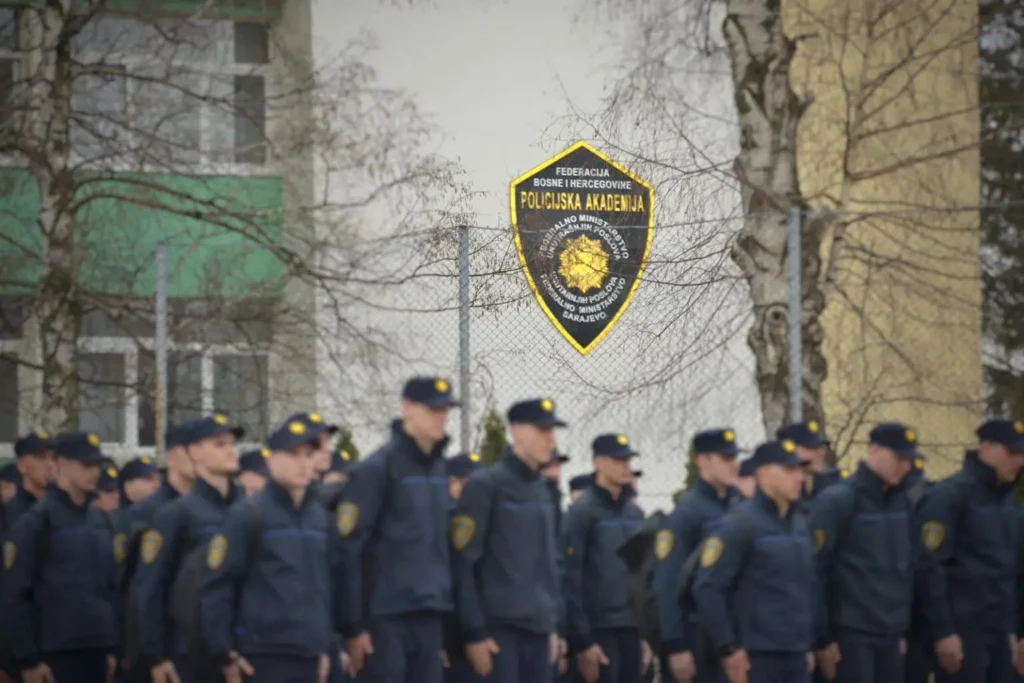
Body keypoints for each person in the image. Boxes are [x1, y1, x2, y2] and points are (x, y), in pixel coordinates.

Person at [199, 415, 341, 683]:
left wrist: (329, 646)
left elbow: (330, 587)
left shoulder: (321, 519)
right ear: (272, 459)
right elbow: (218, 587)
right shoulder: (248, 515)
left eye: (308, 455)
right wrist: (224, 653)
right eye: (293, 454)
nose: (303, 463)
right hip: (263, 657)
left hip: (312, 656)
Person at [337, 377, 458, 683]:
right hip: (385, 614)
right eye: (432, 410)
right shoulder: (378, 468)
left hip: (429, 610)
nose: (440, 417)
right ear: (407, 408)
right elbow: (348, 549)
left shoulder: (439, 470)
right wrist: (354, 626)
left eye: (444, 410)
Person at [451, 398, 564, 683]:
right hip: (498, 632)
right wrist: (474, 633)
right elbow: (463, 563)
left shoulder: (545, 491)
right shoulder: (486, 485)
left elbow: (552, 563)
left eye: (552, 431)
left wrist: (553, 626)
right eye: (542, 431)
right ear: (517, 431)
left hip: (539, 630)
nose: (550, 439)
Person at [130, 414, 245, 683]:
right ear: (194, 452)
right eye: (219, 444)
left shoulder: (248, 510)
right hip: (189, 653)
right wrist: (156, 655)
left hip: (242, 649)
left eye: (232, 443)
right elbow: (151, 587)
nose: (230, 450)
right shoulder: (177, 514)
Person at [692, 439, 815, 683]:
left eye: (800, 470)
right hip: (755, 657)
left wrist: (810, 642)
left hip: (795, 652)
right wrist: (728, 648)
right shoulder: (739, 524)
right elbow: (708, 588)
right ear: (764, 475)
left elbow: (808, 585)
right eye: (788, 470)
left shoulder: (799, 525)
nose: (798, 477)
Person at [0, 431, 118, 683]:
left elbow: (109, 588)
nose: (94, 473)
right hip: (55, 653)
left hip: (95, 647)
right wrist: (28, 659)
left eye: (96, 465)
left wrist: (111, 647)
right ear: (62, 464)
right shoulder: (37, 521)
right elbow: (15, 593)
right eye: (86, 465)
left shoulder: (99, 520)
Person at [915, 418, 1024, 683]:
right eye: (1012, 452)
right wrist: (944, 632)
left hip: (1001, 631)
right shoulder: (950, 496)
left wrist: (1017, 630)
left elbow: (1015, 570)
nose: (1019, 461)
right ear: (986, 448)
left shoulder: (1009, 502)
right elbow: (930, 567)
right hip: (963, 633)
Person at [810, 423, 918, 683]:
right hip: (852, 634)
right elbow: (816, 572)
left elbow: (909, 569)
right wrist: (824, 638)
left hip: (892, 633)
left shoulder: (902, 503)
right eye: (898, 458)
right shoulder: (839, 500)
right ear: (874, 451)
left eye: (908, 460)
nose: (905, 466)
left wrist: (903, 629)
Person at [654, 428, 742, 683]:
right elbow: (667, 582)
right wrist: (676, 645)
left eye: (734, 458)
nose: (733, 465)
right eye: (725, 458)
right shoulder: (687, 513)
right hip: (698, 637)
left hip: (731, 632)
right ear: (703, 461)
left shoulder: (738, 507)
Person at [564, 433, 647, 683]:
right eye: (618, 460)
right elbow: (570, 578)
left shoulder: (635, 514)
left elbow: (643, 575)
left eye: (627, 460)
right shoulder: (582, 513)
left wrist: (647, 636)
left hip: (632, 627)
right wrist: (583, 641)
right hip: (599, 628)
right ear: (598, 462)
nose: (625, 466)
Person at [776, 421, 845, 511]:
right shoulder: (776, 493)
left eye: (821, 447)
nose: (821, 453)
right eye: (812, 448)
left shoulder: (834, 483)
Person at [3, 430, 56, 534]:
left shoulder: (63, 507)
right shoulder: (8, 511)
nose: (50, 465)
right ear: (22, 465)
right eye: (42, 458)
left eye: (54, 458)